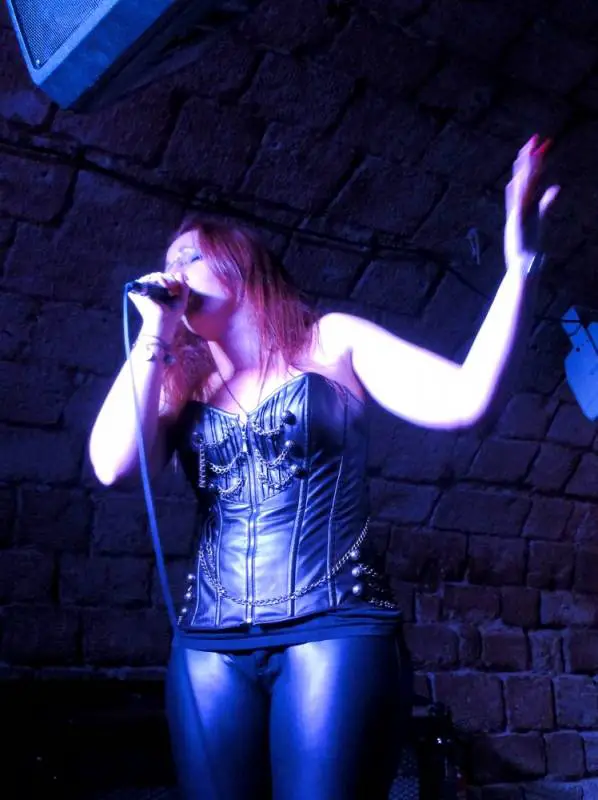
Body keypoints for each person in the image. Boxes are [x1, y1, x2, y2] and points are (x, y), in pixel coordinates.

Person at [89, 136, 558, 800]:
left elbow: (465, 400)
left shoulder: (332, 341)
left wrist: (520, 267)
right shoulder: (177, 381)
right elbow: (111, 466)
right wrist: (154, 334)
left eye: (192, 255)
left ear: (242, 265)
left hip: (334, 628)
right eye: (169, 261)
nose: (176, 270)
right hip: (208, 646)